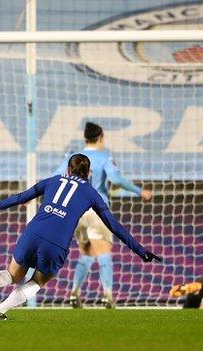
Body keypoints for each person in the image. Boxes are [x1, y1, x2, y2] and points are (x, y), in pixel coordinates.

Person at [0, 154, 161, 320]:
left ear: (68, 170)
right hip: (56, 243)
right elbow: (114, 226)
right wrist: (141, 251)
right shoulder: (91, 193)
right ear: (89, 173)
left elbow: (21, 198)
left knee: (12, 274)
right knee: (37, 281)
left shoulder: (52, 181)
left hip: (32, 233)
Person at [54, 122, 152, 308]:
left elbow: (56, 176)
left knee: (86, 253)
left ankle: (74, 294)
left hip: (76, 213)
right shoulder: (104, 156)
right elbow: (116, 179)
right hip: (96, 210)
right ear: (100, 138)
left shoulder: (74, 157)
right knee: (104, 252)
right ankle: (107, 296)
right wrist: (140, 192)